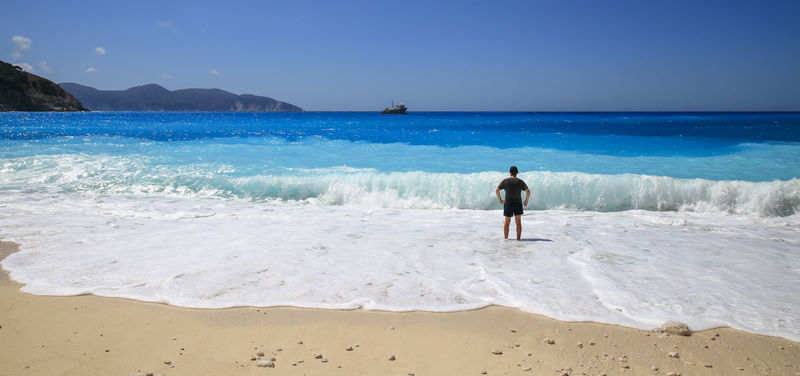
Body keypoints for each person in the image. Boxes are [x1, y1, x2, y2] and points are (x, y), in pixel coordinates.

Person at [495, 166, 530, 240]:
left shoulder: (505, 181)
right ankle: (518, 240)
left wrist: (500, 199)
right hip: (518, 203)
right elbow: (528, 191)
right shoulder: (520, 181)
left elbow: (497, 190)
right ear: (517, 173)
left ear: (510, 172)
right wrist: (526, 200)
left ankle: (506, 239)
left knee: (507, 222)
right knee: (518, 222)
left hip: (508, 203)